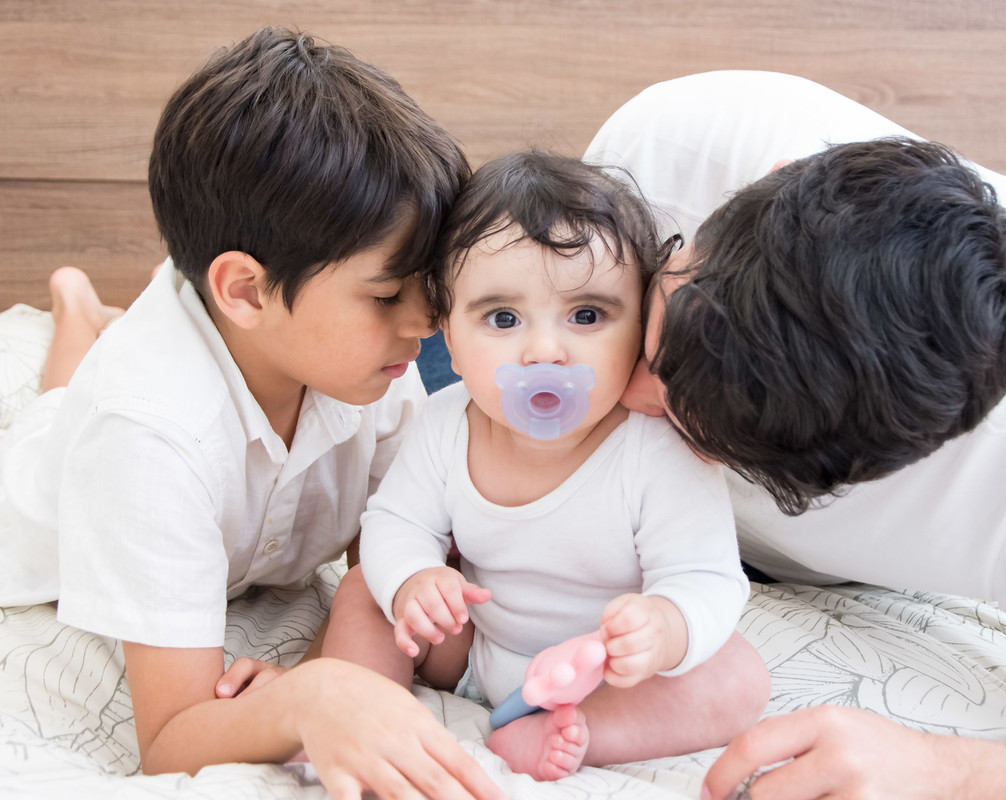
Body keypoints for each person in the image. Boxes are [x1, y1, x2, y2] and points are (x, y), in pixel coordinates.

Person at [0, 27, 502, 800]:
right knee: (52, 411)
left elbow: (388, 560)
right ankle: (74, 304)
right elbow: (170, 739)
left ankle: (98, 313)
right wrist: (306, 700)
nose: (424, 321)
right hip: (52, 490)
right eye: (387, 295)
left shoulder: (371, 364)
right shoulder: (145, 434)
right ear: (246, 292)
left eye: (424, 286)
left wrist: (318, 667)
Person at [585, 70, 1006, 798]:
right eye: (654, 344)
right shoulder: (671, 150)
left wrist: (948, 771)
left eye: (698, 433)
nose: (624, 397)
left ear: (879, 468)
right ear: (776, 174)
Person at [320, 151, 771, 781]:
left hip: (609, 676)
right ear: (450, 339)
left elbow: (706, 576)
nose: (544, 352)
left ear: (642, 328)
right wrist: (415, 578)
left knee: (738, 675)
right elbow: (395, 522)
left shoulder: (657, 449)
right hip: (473, 649)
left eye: (587, 316)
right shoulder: (448, 421)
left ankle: (574, 732)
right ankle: (358, 717)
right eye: (502, 318)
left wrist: (664, 626)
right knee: (364, 591)